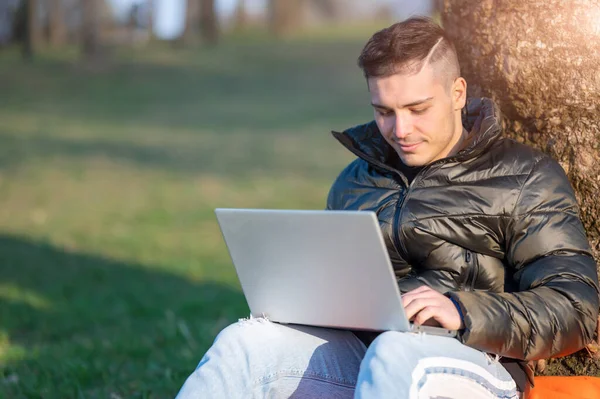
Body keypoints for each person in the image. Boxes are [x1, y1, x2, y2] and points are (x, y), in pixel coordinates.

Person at [176, 17, 599, 398]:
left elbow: (577, 307)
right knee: (245, 343)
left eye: (418, 109)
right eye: (384, 111)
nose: (401, 130)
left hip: (479, 362)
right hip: (363, 359)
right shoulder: (355, 181)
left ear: (457, 93)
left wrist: (462, 310)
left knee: (395, 352)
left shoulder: (524, 176)